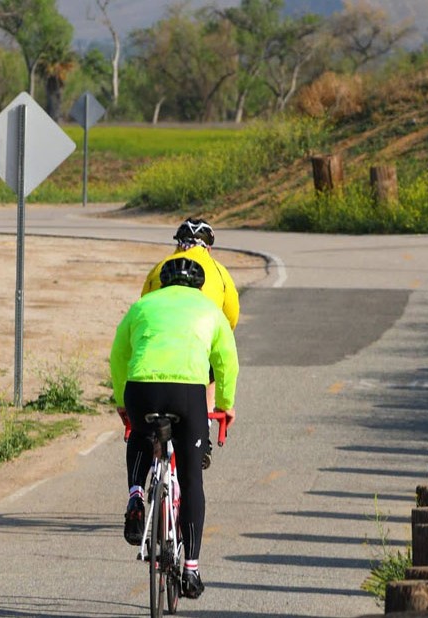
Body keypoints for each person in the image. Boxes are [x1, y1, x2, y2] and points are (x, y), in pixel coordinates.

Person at [111, 257, 239, 600]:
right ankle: (192, 568)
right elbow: (227, 360)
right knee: (192, 477)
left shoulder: (141, 305)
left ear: (164, 284)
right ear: (197, 286)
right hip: (187, 392)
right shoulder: (209, 309)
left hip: (142, 388)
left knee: (139, 434)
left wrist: (121, 399)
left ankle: (136, 496)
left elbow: (118, 354)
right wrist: (225, 404)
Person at [141, 218, 240, 417]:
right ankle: (206, 421)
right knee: (211, 369)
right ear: (208, 248)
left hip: (157, 346)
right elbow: (231, 316)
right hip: (200, 343)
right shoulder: (219, 271)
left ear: (178, 244)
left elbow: (144, 304)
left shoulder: (159, 268)